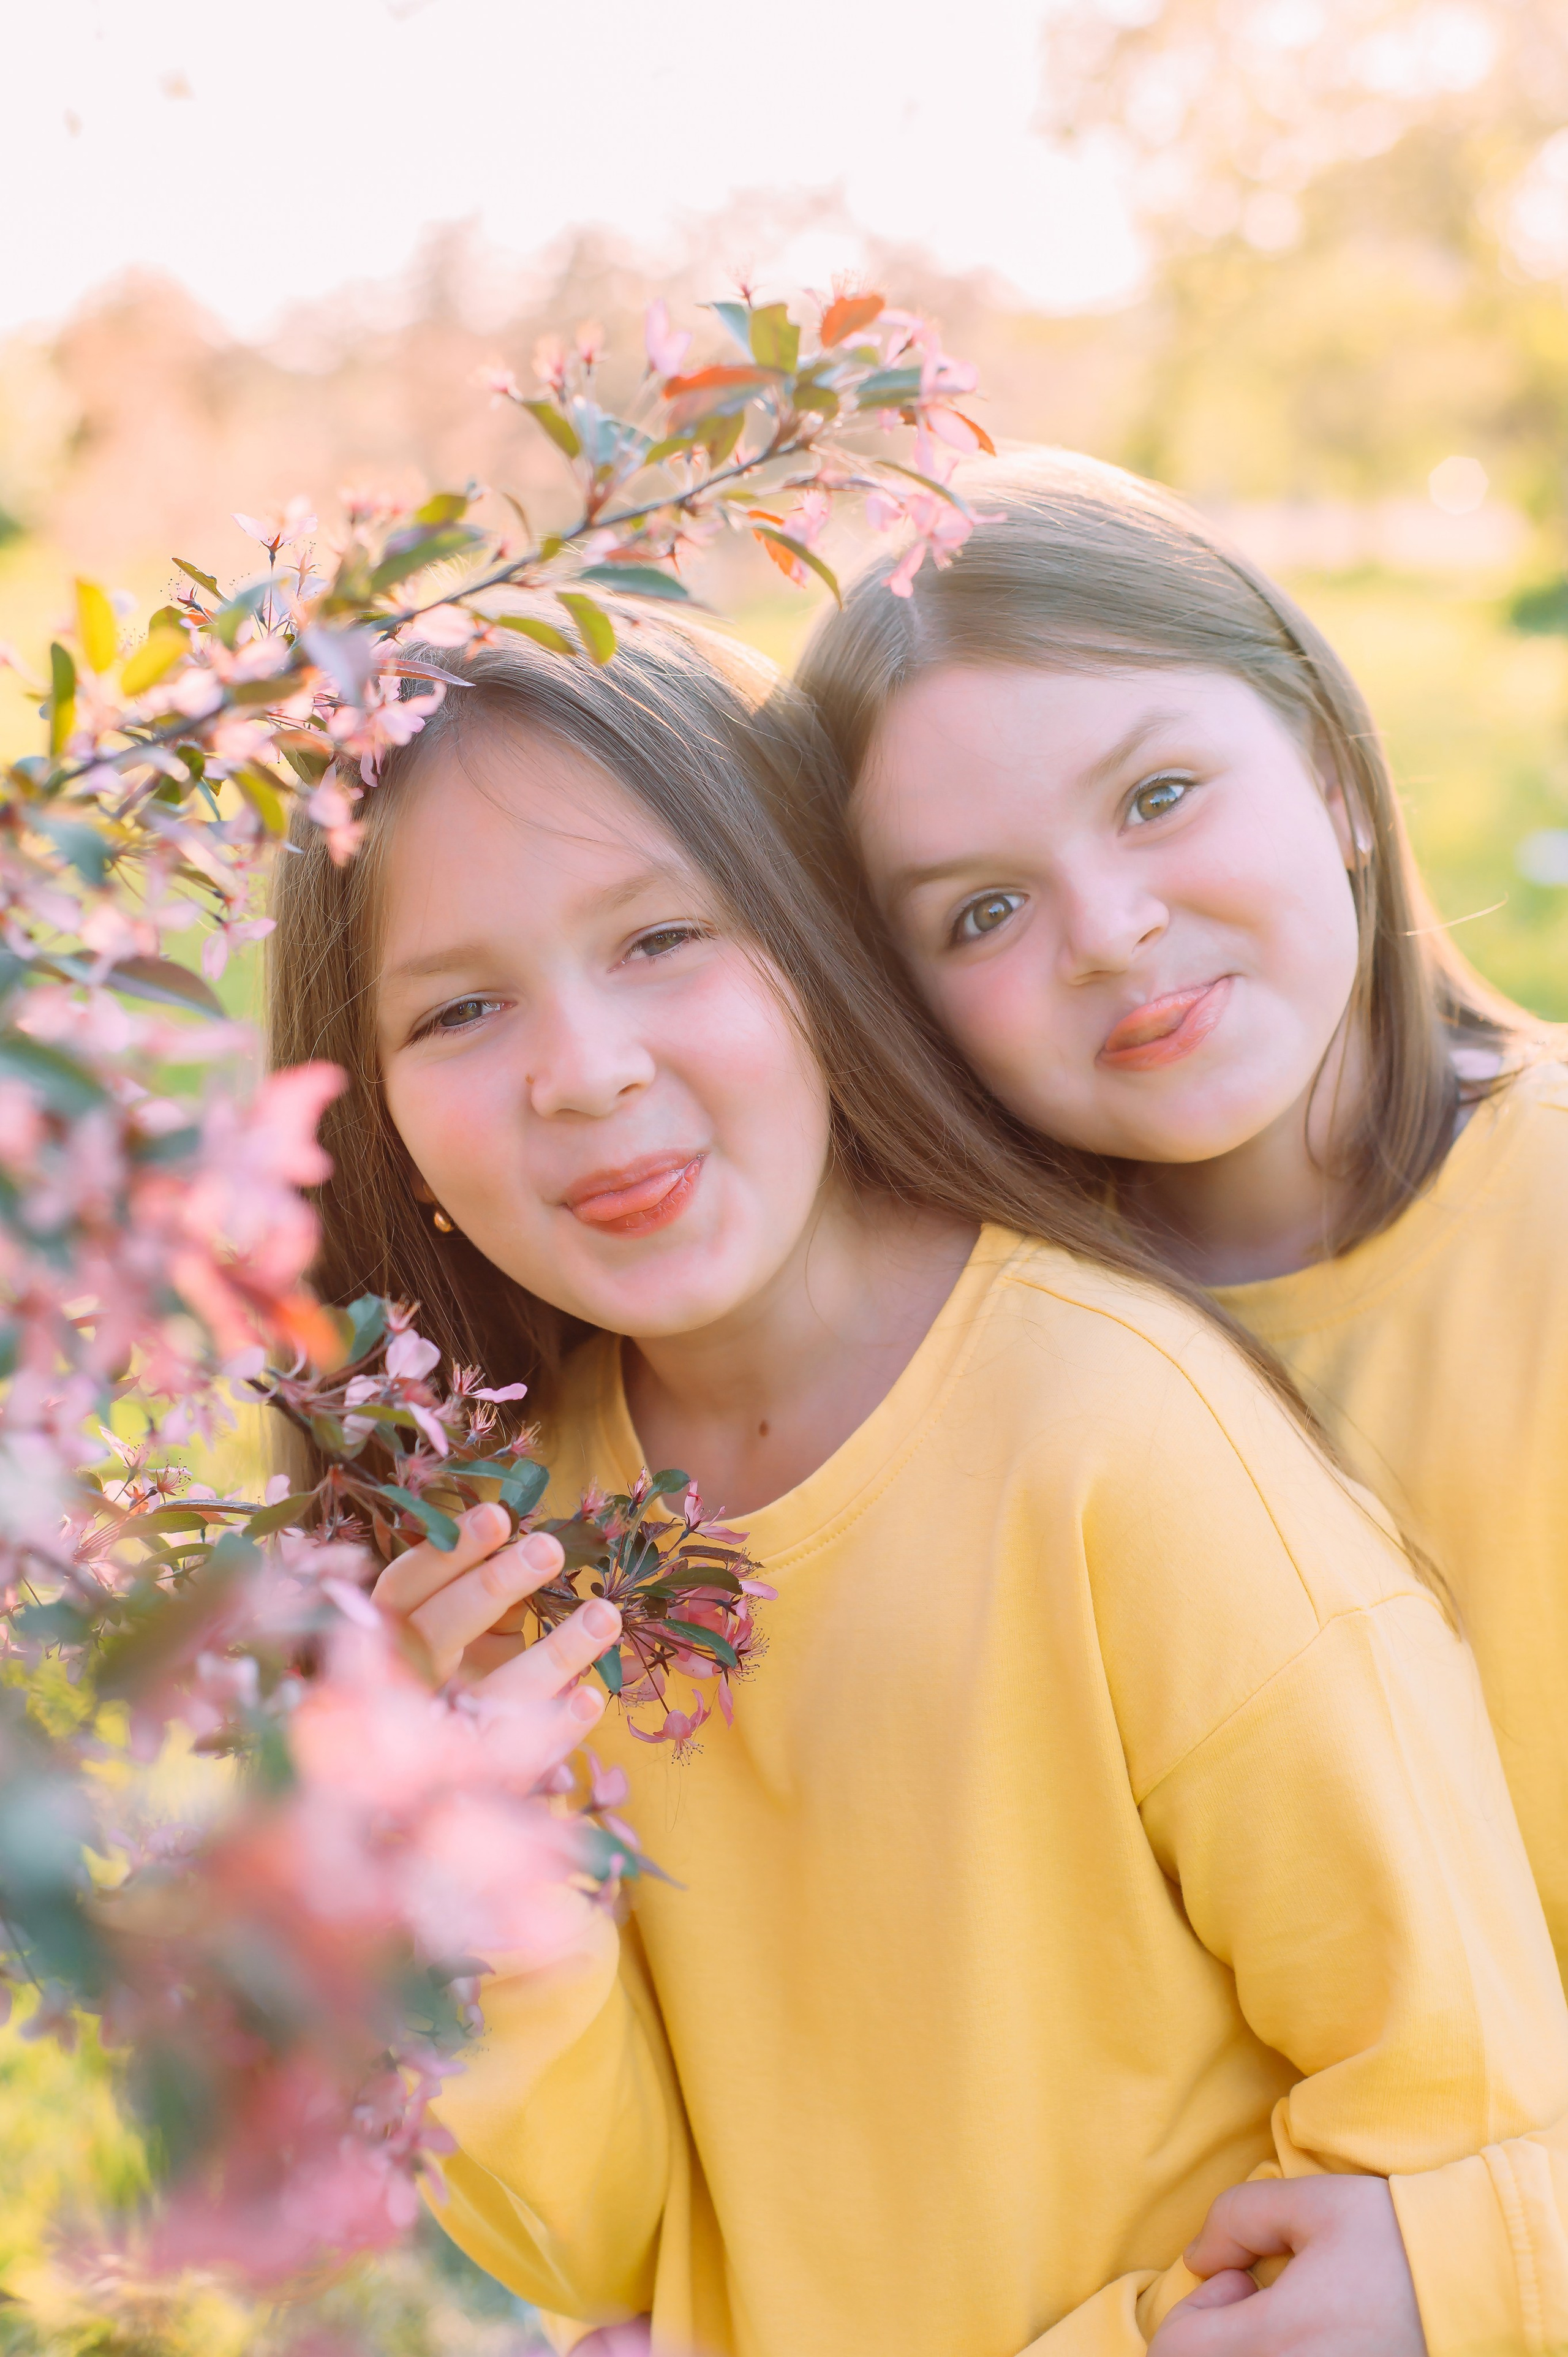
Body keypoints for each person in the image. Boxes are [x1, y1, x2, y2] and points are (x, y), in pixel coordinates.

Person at [271, 612, 1568, 2357]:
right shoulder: (515, 1538)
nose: (583, 1071)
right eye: (459, 1008)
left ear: (815, 944)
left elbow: (1462, 2117)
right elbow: (606, 2254)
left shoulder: (1114, 1440)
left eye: (661, 938)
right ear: (380, 1117)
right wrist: (487, 1878)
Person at [796, 450, 1568, 2353]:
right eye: (979, 913)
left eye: (1157, 796)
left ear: (1325, 763)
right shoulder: (979, 1377)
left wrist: (1494, 2257)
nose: (1114, 927)